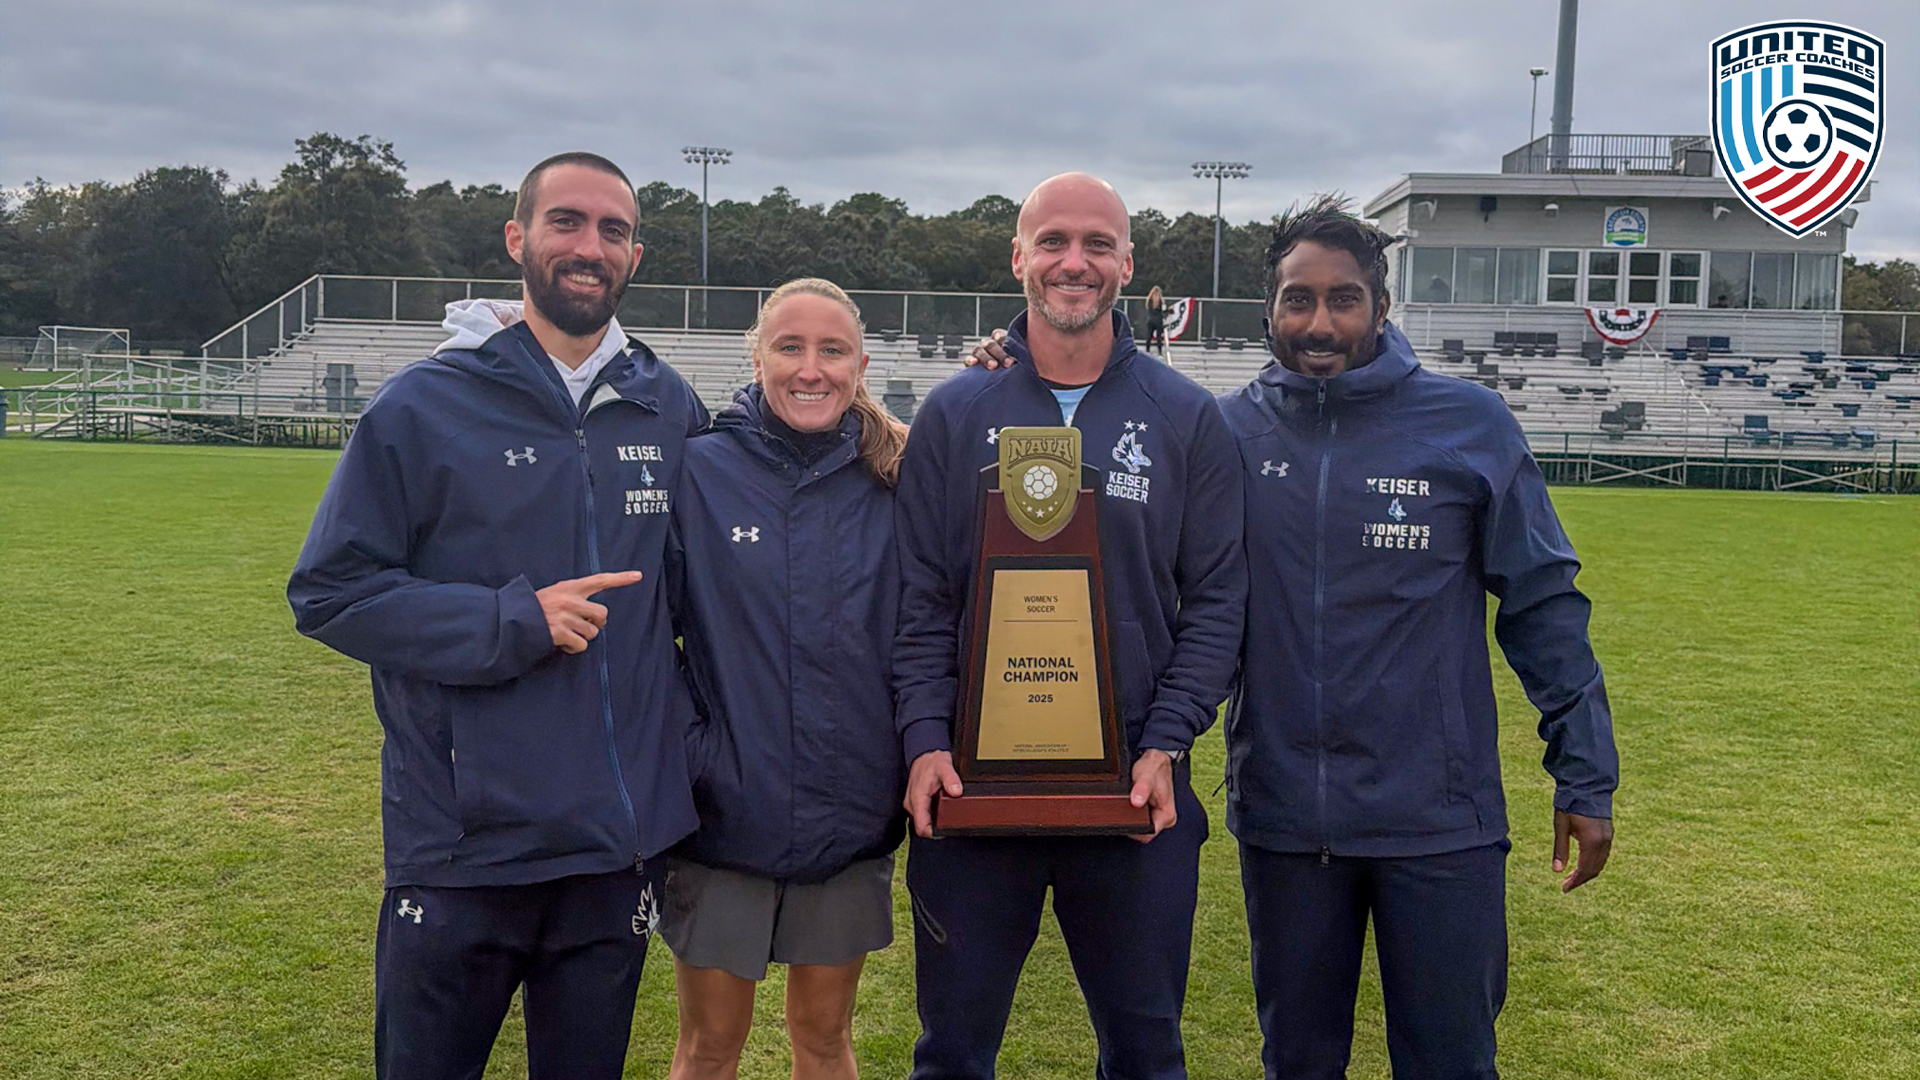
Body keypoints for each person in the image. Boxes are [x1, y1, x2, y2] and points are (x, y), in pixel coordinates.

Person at [287, 151, 709, 1080]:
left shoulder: (666, 403)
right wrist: (511, 623)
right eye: (566, 222)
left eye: (612, 230)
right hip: (465, 847)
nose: (589, 246)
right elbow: (330, 591)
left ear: (635, 254)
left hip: (613, 850)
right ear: (518, 239)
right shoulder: (423, 406)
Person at [1218, 195, 1617, 1079]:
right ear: (1270, 309)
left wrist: (1584, 772)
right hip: (1285, 820)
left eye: (1343, 298)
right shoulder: (1226, 432)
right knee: (1297, 1062)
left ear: (1380, 307)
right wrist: (1012, 361)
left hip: (1438, 823)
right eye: (1298, 299)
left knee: (1451, 1061)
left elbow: (1544, 606)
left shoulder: (1468, 425)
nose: (1320, 322)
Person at [893, 172, 1246, 1080]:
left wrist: (1166, 743)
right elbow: (921, 600)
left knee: (1145, 1054)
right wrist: (927, 741)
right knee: (953, 1056)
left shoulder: (1185, 416)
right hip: (972, 800)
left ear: (1128, 262)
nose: (1073, 263)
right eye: (1052, 241)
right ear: (1019, 258)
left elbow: (1215, 603)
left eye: (1097, 243)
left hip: (1135, 796)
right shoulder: (956, 409)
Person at [661, 278, 909, 1080]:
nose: (811, 369)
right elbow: (642, 637)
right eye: (790, 347)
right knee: (709, 1044)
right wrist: (696, 752)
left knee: (825, 1038)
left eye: (832, 350)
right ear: (756, 353)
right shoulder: (697, 470)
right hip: (721, 816)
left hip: (850, 815)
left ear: (861, 363)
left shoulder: (896, 476)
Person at [1144, 285, 1168, 352]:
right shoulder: (1160, 301)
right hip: (1158, 321)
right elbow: (1163, 310)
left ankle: (1147, 350)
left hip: (1150, 320)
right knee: (1159, 337)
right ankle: (1159, 351)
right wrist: (1169, 310)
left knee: (1149, 336)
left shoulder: (1149, 301)